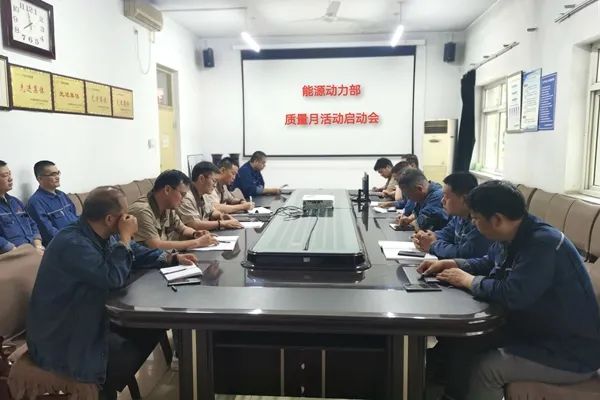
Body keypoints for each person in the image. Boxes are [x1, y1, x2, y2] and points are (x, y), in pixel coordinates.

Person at [418, 180, 600, 400]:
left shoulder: (542, 244)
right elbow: (489, 261)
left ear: (496, 219)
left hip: (569, 352)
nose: (473, 223)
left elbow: (513, 294)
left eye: (475, 218)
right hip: (536, 331)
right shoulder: (514, 233)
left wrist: (469, 281)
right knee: (462, 341)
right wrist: (456, 264)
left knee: (487, 369)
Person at [26, 186, 198, 400]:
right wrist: (126, 237)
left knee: (153, 326)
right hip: (62, 333)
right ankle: (102, 388)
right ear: (110, 219)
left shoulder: (101, 233)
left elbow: (134, 252)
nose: (130, 219)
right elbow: (112, 278)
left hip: (87, 314)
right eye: (125, 215)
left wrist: (171, 258)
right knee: (128, 349)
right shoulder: (73, 242)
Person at [128, 170, 218, 250]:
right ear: (167, 190)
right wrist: (197, 242)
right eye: (182, 194)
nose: (183, 200)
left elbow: (182, 228)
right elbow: (156, 245)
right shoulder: (142, 211)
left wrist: (196, 234)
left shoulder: (168, 207)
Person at [412, 172, 491, 259]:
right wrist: (427, 237)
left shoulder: (479, 223)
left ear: (464, 199)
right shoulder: (459, 217)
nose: (442, 201)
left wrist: (433, 245)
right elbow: (446, 233)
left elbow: (464, 254)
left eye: (446, 196)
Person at [177, 162, 243, 231]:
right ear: (201, 178)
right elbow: (194, 225)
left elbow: (211, 211)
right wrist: (222, 223)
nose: (215, 185)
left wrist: (221, 215)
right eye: (214, 181)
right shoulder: (186, 197)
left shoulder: (204, 194)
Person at [26, 160, 78, 246]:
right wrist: (73, 239)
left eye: (58, 173)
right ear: (40, 179)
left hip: (77, 237)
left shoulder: (62, 195)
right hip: (62, 244)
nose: (57, 177)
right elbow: (48, 232)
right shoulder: (35, 202)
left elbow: (75, 217)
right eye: (53, 174)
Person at [0, 160, 43, 254]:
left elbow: (32, 224)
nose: (10, 178)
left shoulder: (15, 202)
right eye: (4, 175)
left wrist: (38, 245)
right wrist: (16, 251)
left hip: (32, 249)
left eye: (9, 174)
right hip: (12, 254)